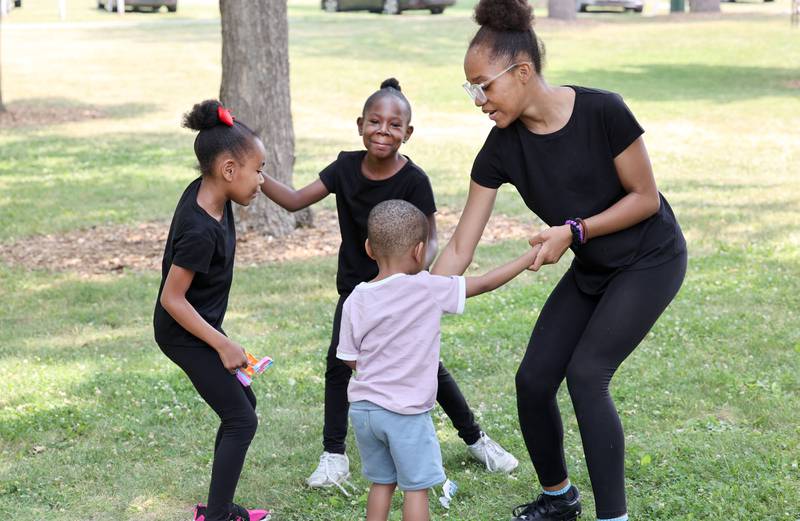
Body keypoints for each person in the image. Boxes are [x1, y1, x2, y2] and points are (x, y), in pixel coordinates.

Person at [431, 1, 688, 520]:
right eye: (471, 88)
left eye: (484, 85)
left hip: (650, 259)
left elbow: (645, 198)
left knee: (587, 373)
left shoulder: (603, 111)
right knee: (533, 381)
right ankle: (558, 498)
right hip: (593, 268)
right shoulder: (500, 149)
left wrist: (575, 231)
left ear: (522, 72)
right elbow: (461, 246)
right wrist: (412, 298)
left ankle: (612, 517)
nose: (478, 99)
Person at [259, 78, 520, 492]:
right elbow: (293, 200)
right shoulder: (345, 167)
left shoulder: (415, 180)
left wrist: (418, 277)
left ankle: (475, 439)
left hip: (403, 292)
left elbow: (430, 237)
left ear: (407, 133)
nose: (383, 131)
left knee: (428, 369)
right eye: (375, 122)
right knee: (338, 366)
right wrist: (255, 174)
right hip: (357, 291)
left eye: (394, 125)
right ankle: (334, 456)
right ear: (360, 124)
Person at [338, 199, 541, 521]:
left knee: (381, 483)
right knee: (416, 489)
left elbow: (350, 359)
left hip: (364, 411)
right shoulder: (427, 287)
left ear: (368, 248)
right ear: (419, 251)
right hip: (405, 415)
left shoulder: (356, 298)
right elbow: (485, 283)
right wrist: (529, 256)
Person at [153, 100, 271, 521]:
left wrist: (253, 170)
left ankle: (217, 510)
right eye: (258, 169)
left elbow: (243, 172)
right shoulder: (201, 229)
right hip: (182, 333)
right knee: (241, 420)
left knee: (243, 408)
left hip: (197, 326)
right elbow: (172, 298)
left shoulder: (213, 194)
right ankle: (217, 517)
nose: (262, 179)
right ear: (226, 170)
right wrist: (221, 344)